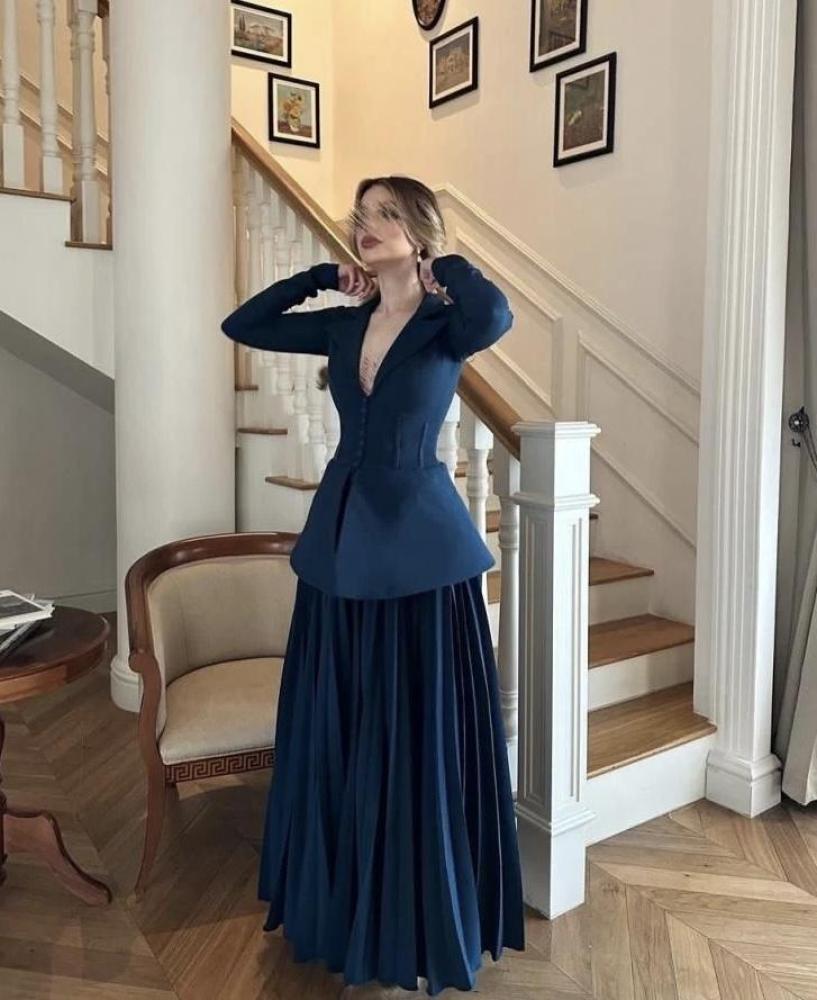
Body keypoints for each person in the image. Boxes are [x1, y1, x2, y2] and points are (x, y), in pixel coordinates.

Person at [221, 175, 526, 996]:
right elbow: (243, 324)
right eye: (361, 216)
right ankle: (343, 901)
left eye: (386, 214)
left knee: (414, 732)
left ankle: (419, 911)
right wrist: (321, 276)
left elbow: (496, 315)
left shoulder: (447, 323)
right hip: (340, 542)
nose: (366, 226)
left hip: (422, 551)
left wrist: (438, 269)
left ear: (418, 229)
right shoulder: (343, 323)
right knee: (343, 723)